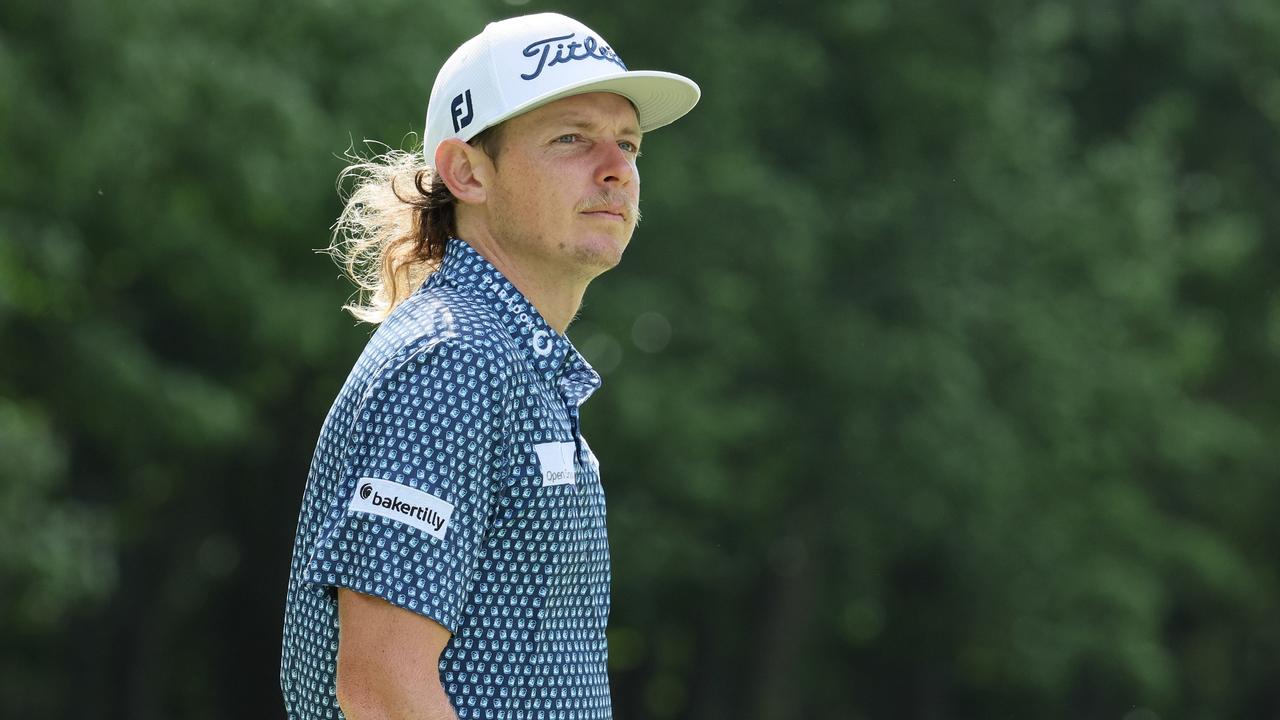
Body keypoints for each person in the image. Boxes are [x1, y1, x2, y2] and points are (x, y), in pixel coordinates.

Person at [279, 12, 700, 719]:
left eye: (628, 143)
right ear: (467, 172)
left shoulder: (503, 356)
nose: (617, 167)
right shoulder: (454, 359)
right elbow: (381, 689)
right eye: (571, 138)